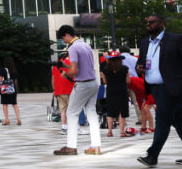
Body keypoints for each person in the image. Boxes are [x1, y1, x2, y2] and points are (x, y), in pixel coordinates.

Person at [135, 14, 182, 167]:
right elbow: (140, 62)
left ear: (161, 24)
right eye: (146, 22)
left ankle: (152, 155)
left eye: (151, 22)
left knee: (162, 120)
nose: (148, 25)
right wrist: (139, 68)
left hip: (173, 87)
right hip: (155, 88)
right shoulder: (145, 43)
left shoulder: (176, 40)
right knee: (178, 120)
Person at [54, 25, 102, 156]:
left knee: (71, 113)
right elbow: (81, 66)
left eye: (63, 38)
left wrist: (66, 73)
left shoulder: (73, 47)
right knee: (91, 114)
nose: (63, 41)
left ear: (67, 35)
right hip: (93, 82)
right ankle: (96, 146)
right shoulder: (85, 45)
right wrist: (65, 66)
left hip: (82, 84)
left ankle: (71, 146)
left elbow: (74, 70)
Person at [101, 50, 131, 138]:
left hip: (110, 91)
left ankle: (109, 131)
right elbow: (128, 81)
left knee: (110, 111)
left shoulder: (105, 70)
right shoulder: (125, 69)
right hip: (122, 91)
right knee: (122, 112)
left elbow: (105, 81)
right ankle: (122, 132)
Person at [120, 45, 143, 126]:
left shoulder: (119, 59)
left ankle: (123, 120)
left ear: (120, 51)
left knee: (122, 101)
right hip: (135, 81)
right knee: (136, 101)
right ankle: (140, 119)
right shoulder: (135, 59)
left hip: (123, 81)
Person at [52, 53, 74, 134]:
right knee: (72, 110)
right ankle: (75, 127)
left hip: (59, 91)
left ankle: (64, 128)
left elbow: (53, 78)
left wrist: (54, 90)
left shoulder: (55, 65)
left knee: (62, 110)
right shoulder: (69, 64)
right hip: (69, 90)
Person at [0, 56, 21, 126]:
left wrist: (0, 87)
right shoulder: (14, 70)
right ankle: (18, 119)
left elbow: (0, 79)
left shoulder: (3, 70)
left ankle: (7, 120)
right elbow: (16, 81)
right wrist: (16, 89)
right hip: (13, 89)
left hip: (5, 89)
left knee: (5, 104)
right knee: (15, 104)